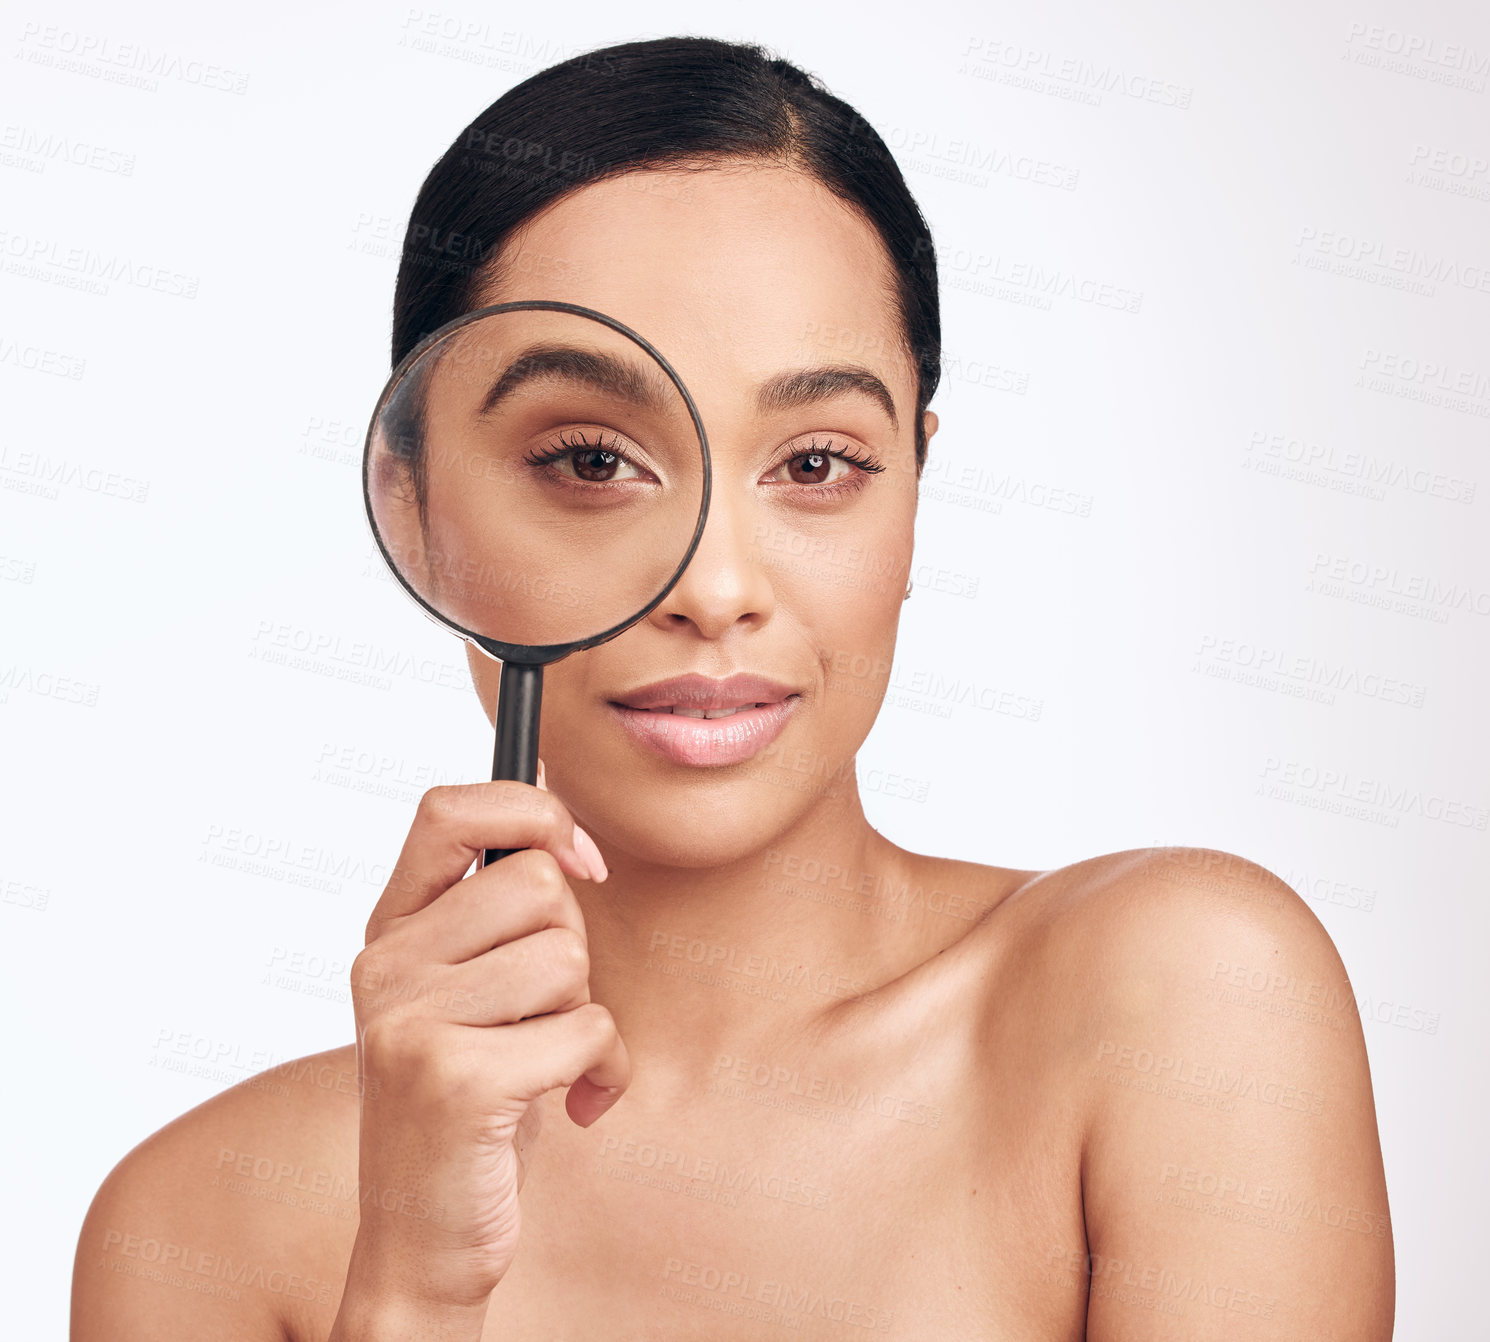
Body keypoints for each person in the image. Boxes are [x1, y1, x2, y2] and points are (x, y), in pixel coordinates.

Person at [71, 35, 1393, 1341]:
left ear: (915, 492)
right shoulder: (198, 1230)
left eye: (815, 463)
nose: (711, 584)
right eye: (590, 458)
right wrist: (414, 1286)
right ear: (411, 503)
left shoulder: (1181, 999)